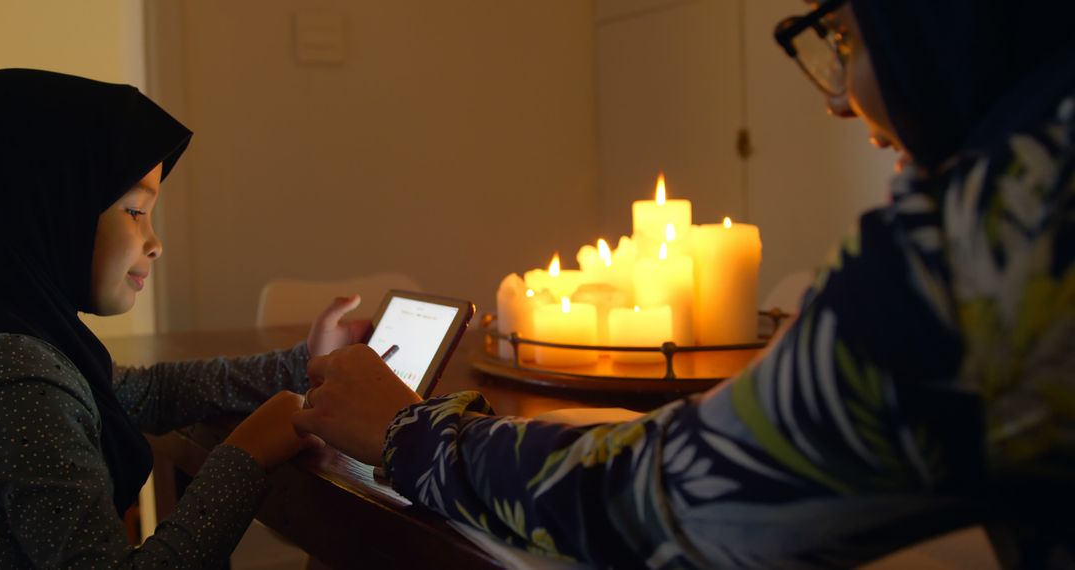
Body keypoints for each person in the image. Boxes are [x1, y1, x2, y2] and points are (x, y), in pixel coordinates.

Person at [293, 0, 1075, 567]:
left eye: (843, 34)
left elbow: (658, 500)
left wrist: (410, 431)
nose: (837, 99)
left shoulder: (986, 241)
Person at [0, 68, 367, 567]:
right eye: (134, 211)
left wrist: (304, 362)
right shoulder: (21, 379)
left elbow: (152, 394)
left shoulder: (28, 344)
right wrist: (247, 456)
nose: (155, 243)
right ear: (50, 206)